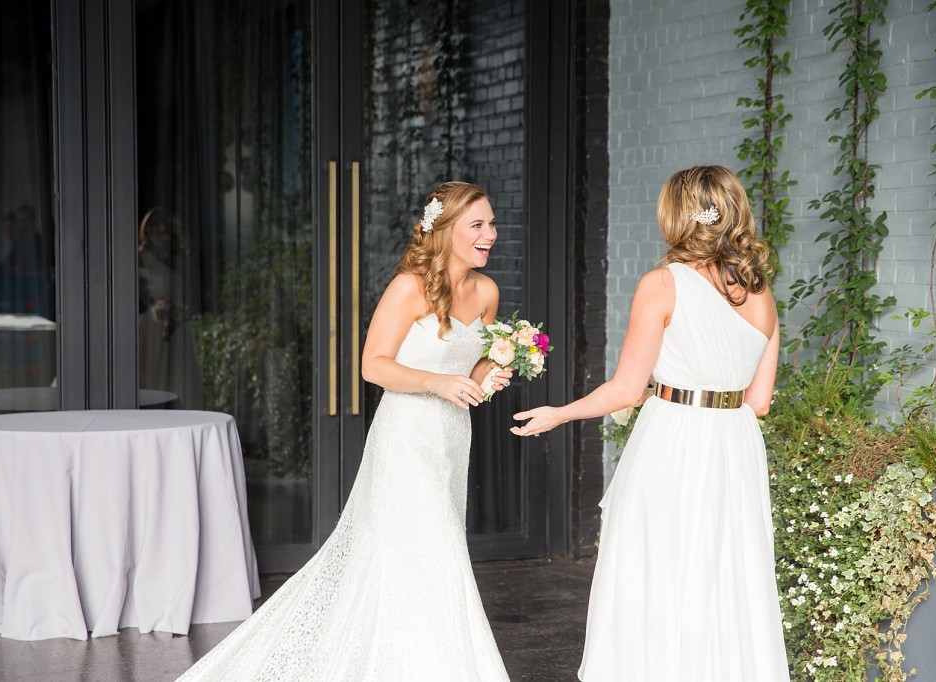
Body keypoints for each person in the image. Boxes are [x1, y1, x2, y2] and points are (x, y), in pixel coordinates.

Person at [177, 181, 513, 681]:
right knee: (430, 550)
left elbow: (475, 366)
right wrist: (437, 382)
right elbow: (372, 366)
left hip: (451, 437)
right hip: (405, 438)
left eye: (491, 223)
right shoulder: (407, 288)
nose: (491, 234)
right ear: (444, 231)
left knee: (430, 552)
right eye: (478, 225)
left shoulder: (487, 292)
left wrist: (494, 373)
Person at [512, 165, 790, 681]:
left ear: (676, 215)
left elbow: (624, 388)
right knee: (725, 573)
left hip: (674, 441)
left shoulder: (662, 284)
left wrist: (560, 413)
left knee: (657, 569)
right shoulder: (761, 294)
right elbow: (760, 401)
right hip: (734, 445)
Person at [137, 206, 203, 409]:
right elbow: (136, 294)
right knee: (153, 378)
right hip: (151, 325)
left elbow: (193, 295)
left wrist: (181, 314)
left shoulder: (180, 258)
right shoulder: (140, 258)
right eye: (154, 229)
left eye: (163, 229)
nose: (160, 234)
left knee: (181, 381)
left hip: (178, 325)